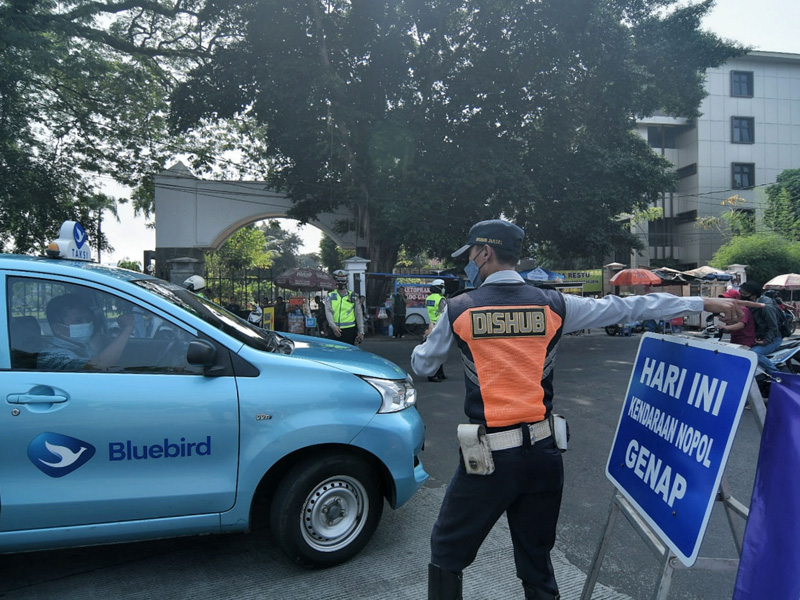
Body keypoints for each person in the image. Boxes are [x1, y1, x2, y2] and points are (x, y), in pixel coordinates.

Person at [410, 219, 752, 600]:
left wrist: (429, 340)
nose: (469, 261)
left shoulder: (458, 309)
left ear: (485, 252)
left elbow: (423, 366)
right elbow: (628, 307)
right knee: (536, 560)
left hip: (488, 461)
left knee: (446, 552)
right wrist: (702, 301)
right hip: (544, 457)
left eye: (471, 253)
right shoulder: (555, 303)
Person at [38, 293, 135, 371]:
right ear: (58, 328)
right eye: (78, 321)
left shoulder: (80, 346)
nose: (87, 324)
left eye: (88, 319)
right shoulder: (53, 356)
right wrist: (127, 328)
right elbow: (97, 366)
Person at [739, 280, 782, 373]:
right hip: (757, 338)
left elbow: (773, 328)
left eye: (744, 294)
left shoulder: (766, 307)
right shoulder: (748, 305)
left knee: (754, 353)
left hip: (773, 339)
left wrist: (766, 341)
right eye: (740, 293)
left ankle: (777, 374)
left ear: (754, 295)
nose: (741, 295)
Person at [324, 270, 364, 345]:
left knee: (348, 354)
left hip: (349, 330)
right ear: (335, 282)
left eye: (342, 281)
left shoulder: (353, 296)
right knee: (332, 353)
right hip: (333, 329)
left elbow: (358, 314)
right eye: (338, 281)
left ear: (347, 282)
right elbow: (328, 311)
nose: (340, 283)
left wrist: (361, 331)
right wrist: (333, 326)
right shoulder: (330, 296)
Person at [425, 279, 447, 382]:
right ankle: (433, 374)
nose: (444, 289)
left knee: (435, 350)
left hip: (431, 325)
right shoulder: (441, 299)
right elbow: (444, 311)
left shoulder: (429, 298)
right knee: (438, 351)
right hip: (439, 326)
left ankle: (440, 372)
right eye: (442, 287)